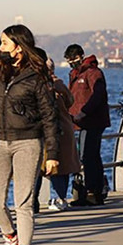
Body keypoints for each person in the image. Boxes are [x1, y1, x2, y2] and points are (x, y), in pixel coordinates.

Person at [0, 25, 60, 245]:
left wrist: (52, 155)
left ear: (18, 46)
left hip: (28, 141)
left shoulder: (36, 76)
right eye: (0, 42)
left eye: (5, 42)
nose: (0, 46)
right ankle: (10, 237)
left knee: (23, 203)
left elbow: (50, 116)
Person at [64, 44, 110, 206]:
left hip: (92, 121)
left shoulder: (93, 73)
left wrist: (83, 112)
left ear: (81, 56)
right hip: (81, 122)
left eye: (74, 59)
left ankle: (92, 191)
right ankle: (94, 191)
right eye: (69, 61)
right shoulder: (75, 74)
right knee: (91, 156)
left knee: (87, 156)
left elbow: (98, 95)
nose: (72, 63)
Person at [44, 55, 81, 211]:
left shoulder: (41, 84)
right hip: (64, 127)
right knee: (62, 166)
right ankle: (61, 197)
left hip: (48, 130)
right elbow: (70, 100)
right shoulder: (59, 84)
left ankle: (35, 201)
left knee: (41, 166)